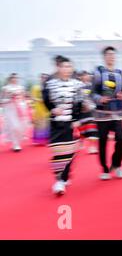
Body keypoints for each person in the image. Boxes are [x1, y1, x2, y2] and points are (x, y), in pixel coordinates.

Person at [42, 56, 85, 195]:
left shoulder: (77, 84)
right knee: (58, 151)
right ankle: (59, 179)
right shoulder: (50, 83)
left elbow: (80, 103)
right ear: (58, 68)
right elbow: (46, 100)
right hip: (56, 122)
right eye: (64, 66)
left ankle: (64, 177)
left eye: (69, 67)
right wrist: (53, 109)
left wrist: (77, 119)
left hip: (70, 123)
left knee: (69, 152)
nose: (66, 69)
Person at [92, 46, 122, 180]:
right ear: (104, 57)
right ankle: (104, 168)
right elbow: (92, 92)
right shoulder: (98, 73)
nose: (111, 56)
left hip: (117, 112)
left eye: (113, 54)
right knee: (102, 142)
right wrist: (99, 98)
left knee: (121, 139)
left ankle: (117, 165)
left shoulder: (120, 74)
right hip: (102, 114)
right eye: (108, 54)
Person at [0, 73, 29, 152]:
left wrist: (25, 105)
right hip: (10, 109)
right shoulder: (5, 88)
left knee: (20, 127)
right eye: (13, 78)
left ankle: (18, 141)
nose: (15, 79)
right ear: (10, 79)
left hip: (20, 109)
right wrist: (10, 99)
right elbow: (1, 100)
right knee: (14, 127)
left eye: (16, 78)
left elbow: (24, 98)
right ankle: (15, 144)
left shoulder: (21, 88)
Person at [76, 71, 98, 154]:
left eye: (87, 75)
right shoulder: (78, 86)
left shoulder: (92, 86)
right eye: (84, 75)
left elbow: (96, 96)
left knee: (92, 128)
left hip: (92, 111)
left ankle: (92, 146)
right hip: (81, 111)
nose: (86, 77)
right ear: (80, 77)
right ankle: (81, 139)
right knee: (83, 129)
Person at [30, 73, 50, 146]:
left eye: (45, 78)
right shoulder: (35, 87)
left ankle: (47, 139)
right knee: (39, 123)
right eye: (42, 77)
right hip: (39, 107)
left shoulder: (48, 87)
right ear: (40, 78)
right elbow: (32, 97)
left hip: (47, 107)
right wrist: (39, 100)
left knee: (47, 123)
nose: (44, 79)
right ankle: (38, 140)